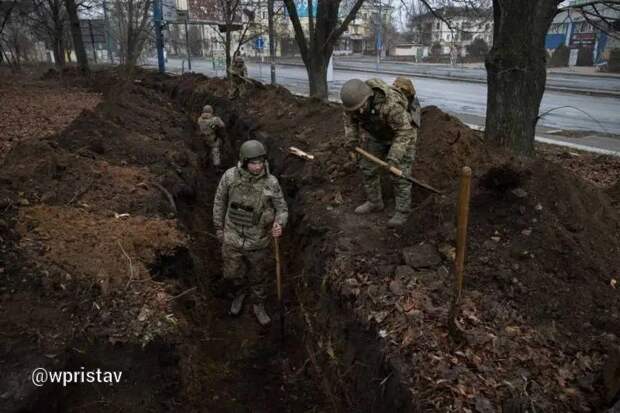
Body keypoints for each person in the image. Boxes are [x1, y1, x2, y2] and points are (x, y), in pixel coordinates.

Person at [212, 140, 288, 326]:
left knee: (259, 275)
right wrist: (219, 229)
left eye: (261, 162)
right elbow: (219, 203)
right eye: (253, 163)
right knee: (232, 274)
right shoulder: (230, 177)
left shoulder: (271, 183)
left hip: (259, 240)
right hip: (232, 237)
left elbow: (282, 208)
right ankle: (239, 294)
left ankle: (258, 304)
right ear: (244, 161)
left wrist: (279, 223)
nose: (258, 166)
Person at [340, 78, 418, 227]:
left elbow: (404, 132)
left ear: (369, 97)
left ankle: (402, 211)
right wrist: (351, 142)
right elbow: (350, 123)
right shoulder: (352, 105)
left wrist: (393, 158)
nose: (360, 111)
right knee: (367, 167)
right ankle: (374, 202)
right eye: (356, 109)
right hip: (377, 133)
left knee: (399, 174)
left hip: (402, 133)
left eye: (362, 107)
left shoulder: (391, 104)